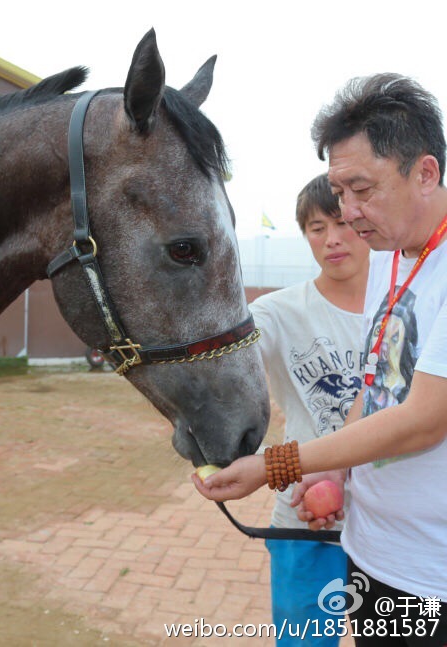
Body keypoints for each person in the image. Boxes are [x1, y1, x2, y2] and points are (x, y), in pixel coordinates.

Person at [194, 72, 447, 646]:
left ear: (425, 173)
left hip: (435, 575)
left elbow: (424, 418)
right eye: (340, 194)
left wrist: (277, 466)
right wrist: (330, 469)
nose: (350, 214)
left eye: (363, 189)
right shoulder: (389, 253)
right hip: (372, 552)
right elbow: (378, 386)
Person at [251, 173, 369, 646]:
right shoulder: (278, 312)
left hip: (389, 520)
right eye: (316, 228)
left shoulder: (403, 309)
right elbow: (227, 357)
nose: (332, 239)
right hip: (303, 517)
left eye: (341, 222)